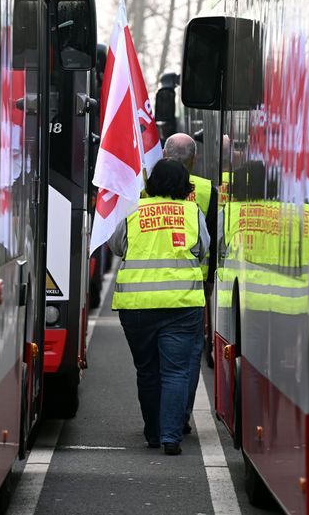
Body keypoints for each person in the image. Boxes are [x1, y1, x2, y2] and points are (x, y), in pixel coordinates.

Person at [109, 159, 209, 455]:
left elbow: (117, 246)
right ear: (184, 185)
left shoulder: (134, 210)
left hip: (137, 306)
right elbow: (203, 247)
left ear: (151, 183)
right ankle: (170, 437)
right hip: (182, 305)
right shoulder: (193, 212)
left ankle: (152, 433)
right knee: (176, 371)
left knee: (148, 370)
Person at [162, 133, 218, 433]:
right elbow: (211, 243)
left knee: (154, 364)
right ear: (194, 159)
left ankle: (159, 419)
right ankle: (179, 417)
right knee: (186, 359)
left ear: (162, 154)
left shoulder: (146, 189)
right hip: (193, 288)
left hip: (146, 290)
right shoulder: (208, 191)